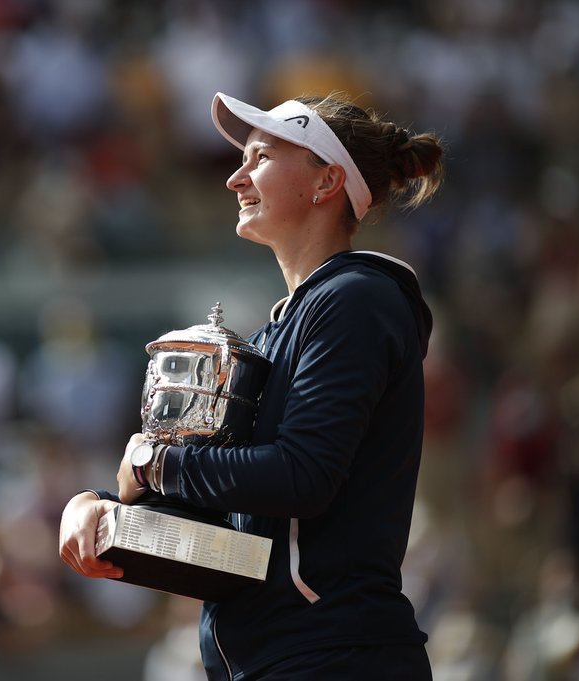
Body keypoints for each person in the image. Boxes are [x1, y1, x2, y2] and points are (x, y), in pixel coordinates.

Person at [59, 90, 444, 680]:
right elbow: (235, 539)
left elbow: (302, 476)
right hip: (279, 660)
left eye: (260, 157)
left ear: (327, 183)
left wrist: (152, 464)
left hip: (336, 659)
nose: (236, 178)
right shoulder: (277, 332)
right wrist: (106, 513)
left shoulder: (353, 300)